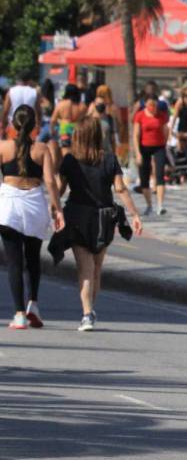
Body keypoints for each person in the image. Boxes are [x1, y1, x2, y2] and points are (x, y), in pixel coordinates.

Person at [52, 117, 144, 331]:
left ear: (78, 136)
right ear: (97, 136)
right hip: (104, 217)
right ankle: (90, 309)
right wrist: (135, 214)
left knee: (85, 269)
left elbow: (60, 189)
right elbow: (120, 189)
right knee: (96, 268)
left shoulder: (69, 160)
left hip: (77, 216)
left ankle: (87, 314)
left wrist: (54, 210)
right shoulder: (110, 159)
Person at [0, 105, 63, 329]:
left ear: (13, 124)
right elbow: (51, 181)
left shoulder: (3, 147)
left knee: (14, 262)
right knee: (33, 258)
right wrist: (57, 208)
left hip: (9, 204)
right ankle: (33, 305)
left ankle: (18, 314)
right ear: (35, 124)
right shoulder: (42, 149)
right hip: (34, 203)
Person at [132, 97, 170, 216]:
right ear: (146, 104)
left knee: (160, 175)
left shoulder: (161, 115)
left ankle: (160, 205)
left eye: (154, 105)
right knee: (144, 178)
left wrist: (165, 144)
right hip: (144, 148)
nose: (152, 107)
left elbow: (166, 130)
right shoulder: (140, 115)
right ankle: (149, 205)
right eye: (150, 105)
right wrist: (138, 153)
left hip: (159, 147)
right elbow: (136, 135)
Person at [50, 83, 86, 152]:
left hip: (64, 128)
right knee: (76, 152)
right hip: (77, 130)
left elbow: (53, 120)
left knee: (64, 151)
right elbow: (85, 120)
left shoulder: (61, 104)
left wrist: (52, 130)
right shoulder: (82, 106)